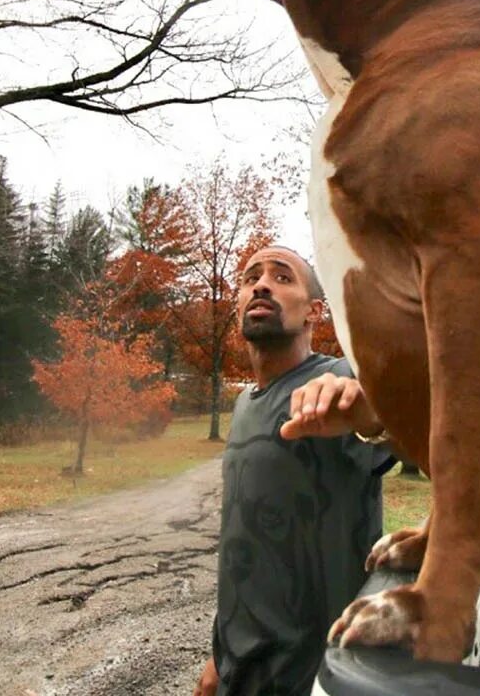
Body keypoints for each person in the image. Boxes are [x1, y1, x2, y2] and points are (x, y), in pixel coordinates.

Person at [194, 245, 395, 696]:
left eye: (282, 277)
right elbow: (243, 544)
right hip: (238, 670)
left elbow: (423, 447)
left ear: (314, 312)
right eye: (250, 279)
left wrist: (369, 416)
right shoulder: (246, 402)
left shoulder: (342, 379)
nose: (261, 284)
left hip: (311, 675)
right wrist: (219, 654)